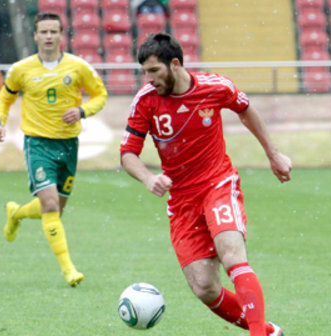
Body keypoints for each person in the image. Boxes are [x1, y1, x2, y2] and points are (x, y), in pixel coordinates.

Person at [120, 32, 291, 336]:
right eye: (144, 71)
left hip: (218, 184)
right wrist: (148, 177)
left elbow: (245, 109)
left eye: (154, 71)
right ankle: (268, 331)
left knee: (232, 255)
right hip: (182, 200)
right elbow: (128, 153)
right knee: (204, 287)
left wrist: (273, 153)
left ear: (175, 64)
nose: (148, 79)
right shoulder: (145, 101)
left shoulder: (215, 87)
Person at [0, 12, 107, 287]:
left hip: (68, 145)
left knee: (56, 209)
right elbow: (5, 97)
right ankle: (69, 270)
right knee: (51, 204)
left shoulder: (78, 67)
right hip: (37, 143)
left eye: (53, 32)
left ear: (61, 35)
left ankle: (16, 213)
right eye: (43, 32)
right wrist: (0, 122)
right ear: (35, 36)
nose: (48, 37)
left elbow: (101, 95)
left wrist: (82, 110)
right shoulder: (21, 69)